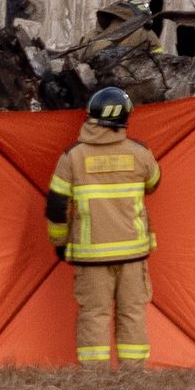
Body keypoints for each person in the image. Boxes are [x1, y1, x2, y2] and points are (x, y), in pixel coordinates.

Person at [46, 86, 160, 369]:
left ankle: (94, 378)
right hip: (133, 253)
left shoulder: (72, 156)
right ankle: (133, 374)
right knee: (132, 313)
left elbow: (56, 206)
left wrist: (59, 244)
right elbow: (154, 184)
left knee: (94, 314)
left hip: (91, 254)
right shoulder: (140, 153)